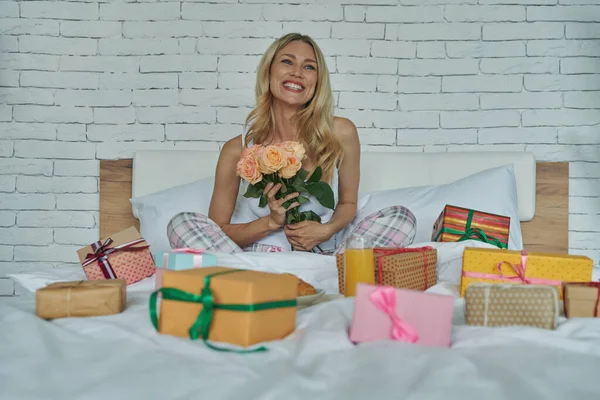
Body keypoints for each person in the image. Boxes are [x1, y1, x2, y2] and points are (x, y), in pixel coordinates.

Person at [167, 33, 417, 254]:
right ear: (269, 71)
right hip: (261, 258)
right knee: (182, 223)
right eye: (287, 61)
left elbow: (347, 204)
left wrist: (326, 230)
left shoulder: (340, 132)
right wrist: (271, 223)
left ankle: (334, 274)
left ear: (317, 82)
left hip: (325, 252)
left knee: (401, 217)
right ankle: (261, 281)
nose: (297, 72)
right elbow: (218, 230)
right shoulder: (236, 149)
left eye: (309, 67)